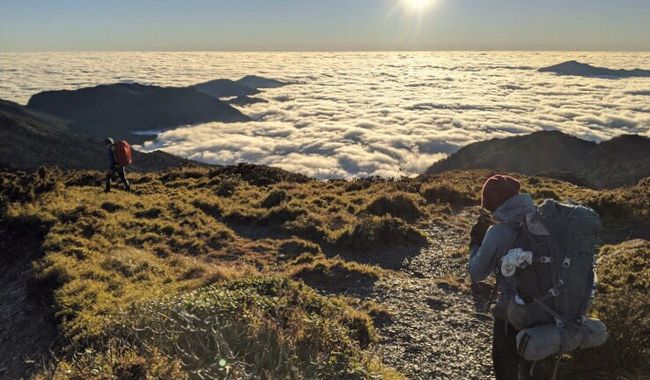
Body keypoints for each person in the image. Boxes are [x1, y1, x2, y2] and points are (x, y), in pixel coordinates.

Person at [468, 174, 550, 380]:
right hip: (547, 308)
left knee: (505, 369)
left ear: (493, 204)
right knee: (534, 370)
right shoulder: (542, 218)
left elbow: (477, 273)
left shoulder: (499, 231)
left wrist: (475, 243)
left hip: (510, 314)